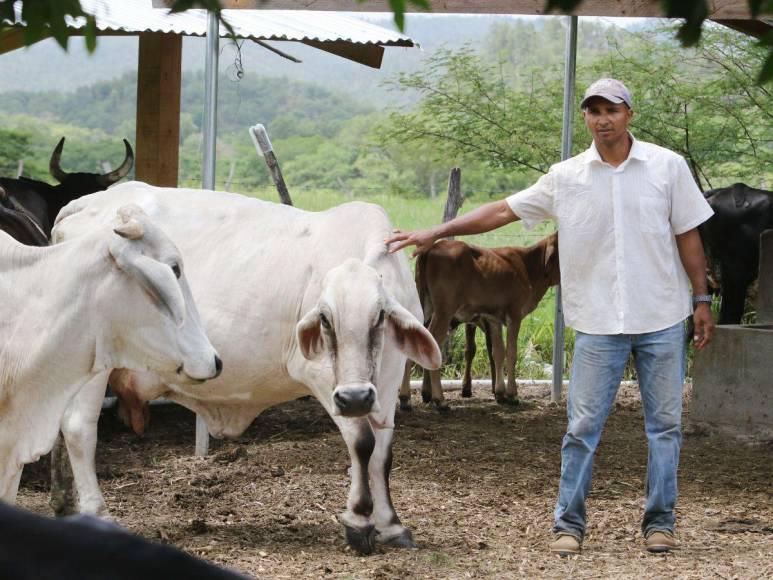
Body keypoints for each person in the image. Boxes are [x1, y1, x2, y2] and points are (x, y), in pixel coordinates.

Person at [385, 78, 715, 556]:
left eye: (612, 109)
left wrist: (701, 301)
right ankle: (569, 524)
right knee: (582, 427)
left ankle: (660, 522)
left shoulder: (667, 167)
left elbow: (688, 236)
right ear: (585, 117)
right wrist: (439, 229)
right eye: (594, 110)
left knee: (664, 427)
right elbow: (502, 211)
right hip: (598, 324)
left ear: (629, 114)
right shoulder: (566, 176)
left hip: (660, 315)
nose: (603, 118)